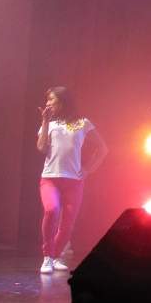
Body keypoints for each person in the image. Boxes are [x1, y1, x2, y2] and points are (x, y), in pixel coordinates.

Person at [36, 86, 108, 274]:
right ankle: (47, 257)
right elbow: (41, 148)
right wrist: (45, 121)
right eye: (47, 100)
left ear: (63, 101)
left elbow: (102, 148)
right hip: (50, 178)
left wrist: (88, 169)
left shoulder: (82, 123)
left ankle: (55, 256)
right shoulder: (49, 124)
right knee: (52, 210)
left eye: (51, 100)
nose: (47, 104)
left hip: (74, 181)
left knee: (67, 224)